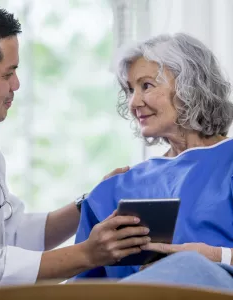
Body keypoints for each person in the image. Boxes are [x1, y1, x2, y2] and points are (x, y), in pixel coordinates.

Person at [0, 0, 154, 296]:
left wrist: (89, 202)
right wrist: (89, 254)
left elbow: (11, 233)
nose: (17, 84)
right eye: (8, 73)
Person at [74, 32, 233, 280]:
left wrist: (216, 256)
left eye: (146, 85)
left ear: (190, 85)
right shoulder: (113, 190)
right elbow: (80, 288)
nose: (133, 102)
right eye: (129, 90)